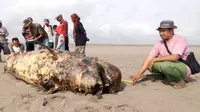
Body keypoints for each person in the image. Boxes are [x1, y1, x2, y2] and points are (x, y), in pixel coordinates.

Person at [132, 20, 191, 89]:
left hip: (183, 68)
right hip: (170, 66)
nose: (161, 33)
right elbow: (149, 59)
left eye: (163, 31)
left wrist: (156, 59)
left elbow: (175, 57)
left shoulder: (180, 39)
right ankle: (166, 75)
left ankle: (178, 81)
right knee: (149, 63)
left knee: (165, 65)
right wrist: (139, 74)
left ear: (171, 30)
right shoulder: (159, 44)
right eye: (160, 31)